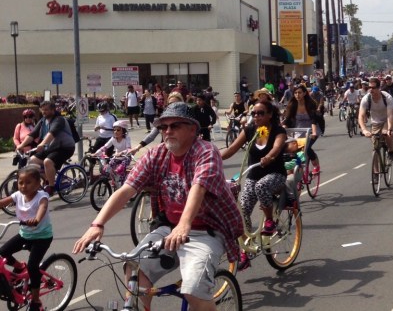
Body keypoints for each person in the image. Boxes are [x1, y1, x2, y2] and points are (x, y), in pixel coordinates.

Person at [72, 102, 244, 311]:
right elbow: (127, 189)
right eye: (163, 127)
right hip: (169, 228)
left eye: (175, 126)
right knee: (133, 268)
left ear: (193, 129)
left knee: (193, 289)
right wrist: (97, 224)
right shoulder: (156, 155)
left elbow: (199, 188)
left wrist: (184, 225)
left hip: (206, 231)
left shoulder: (206, 152)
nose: (167, 131)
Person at [220, 101, 287, 238]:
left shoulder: (278, 131)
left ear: (269, 114)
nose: (256, 116)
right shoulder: (249, 130)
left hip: (275, 174)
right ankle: (246, 245)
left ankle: (269, 221)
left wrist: (269, 157)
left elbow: (277, 147)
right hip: (254, 175)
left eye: (261, 113)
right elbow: (232, 149)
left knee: (261, 186)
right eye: (254, 113)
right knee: (242, 209)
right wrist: (213, 158)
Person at [0, 166, 52, 311]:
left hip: (42, 237)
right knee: (2, 252)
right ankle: (19, 266)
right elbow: (3, 202)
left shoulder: (42, 196)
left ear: (38, 183)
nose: (23, 186)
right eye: (20, 182)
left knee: (33, 267)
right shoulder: (17, 195)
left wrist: (36, 219)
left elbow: (42, 207)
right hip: (25, 235)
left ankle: (35, 300)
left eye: (28, 182)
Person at [14, 101, 75, 194]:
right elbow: (33, 134)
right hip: (51, 147)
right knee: (32, 160)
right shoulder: (43, 121)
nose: (44, 112)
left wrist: (42, 144)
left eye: (46, 110)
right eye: (42, 110)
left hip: (65, 148)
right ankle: (46, 178)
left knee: (47, 161)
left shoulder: (59, 120)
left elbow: (52, 133)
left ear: (53, 110)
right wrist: (20, 146)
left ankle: (51, 186)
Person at [282, 85, 322, 174]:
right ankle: (294, 167)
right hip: (298, 130)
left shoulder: (310, 104)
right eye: (295, 93)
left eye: (299, 92)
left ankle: (316, 165)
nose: (297, 95)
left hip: (311, 129)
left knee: (306, 148)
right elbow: (287, 120)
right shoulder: (292, 105)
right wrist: (283, 128)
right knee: (293, 148)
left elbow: (313, 120)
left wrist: (314, 133)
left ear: (304, 93)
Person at [359, 77, 393, 164]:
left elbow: (390, 115)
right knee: (375, 148)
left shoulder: (387, 97)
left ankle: (391, 151)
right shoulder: (366, 99)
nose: (371, 90)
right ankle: (376, 173)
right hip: (375, 122)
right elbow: (361, 116)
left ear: (379, 88)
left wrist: (389, 129)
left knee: (387, 134)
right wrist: (364, 130)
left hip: (388, 119)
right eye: (369, 88)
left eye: (373, 88)